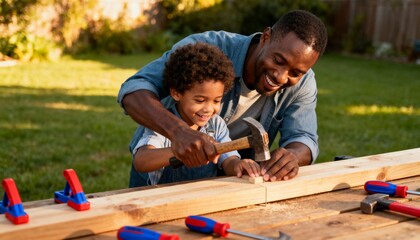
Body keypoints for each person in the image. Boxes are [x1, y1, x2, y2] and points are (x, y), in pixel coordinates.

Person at [118, 10, 328, 187]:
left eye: (295, 72)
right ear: (266, 37)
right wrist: (178, 132)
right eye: (278, 60)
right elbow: (134, 90)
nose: (282, 76)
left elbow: (304, 138)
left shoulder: (303, 82)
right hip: (157, 185)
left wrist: (293, 155)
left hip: (227, 183)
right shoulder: (205, 49)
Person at [132, 42, 261, 185]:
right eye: (200, 100)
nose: (208, 108)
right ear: (176, 93)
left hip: (203, 200)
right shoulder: (164, 126)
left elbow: (229, 160)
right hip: (167, 200)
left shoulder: (216, 125)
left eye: (216, 101)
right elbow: (141, 161)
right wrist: (178, 150)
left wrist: (238, 165)